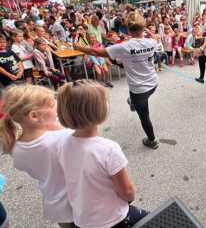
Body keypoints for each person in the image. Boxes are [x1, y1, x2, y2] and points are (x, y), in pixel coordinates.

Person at [57, 80, 149, 228]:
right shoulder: (108, 149)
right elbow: (127, 191)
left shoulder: (62, 143)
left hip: (83, 220)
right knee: (150, 218)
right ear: (99, 110)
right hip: (114, 219)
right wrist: (130, 197)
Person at [73, 12, 159, 149]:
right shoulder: (151, 42)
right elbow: (154, 39)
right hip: (153, 83)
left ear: (129, 28)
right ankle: (133, 103)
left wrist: (78, 47)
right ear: (143, 26)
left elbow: (95, 52)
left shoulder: (124, 46)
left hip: (138, 89)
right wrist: (149, 32)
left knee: (144, 116)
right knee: (137, 100)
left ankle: (152, 141)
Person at [0, 85, 74, 228]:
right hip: (78, 199)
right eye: (53, 105)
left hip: (55, 205)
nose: (57, 106)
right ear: (34, 116)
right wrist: (59, 128)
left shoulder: (14, 148)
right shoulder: (61, 138)